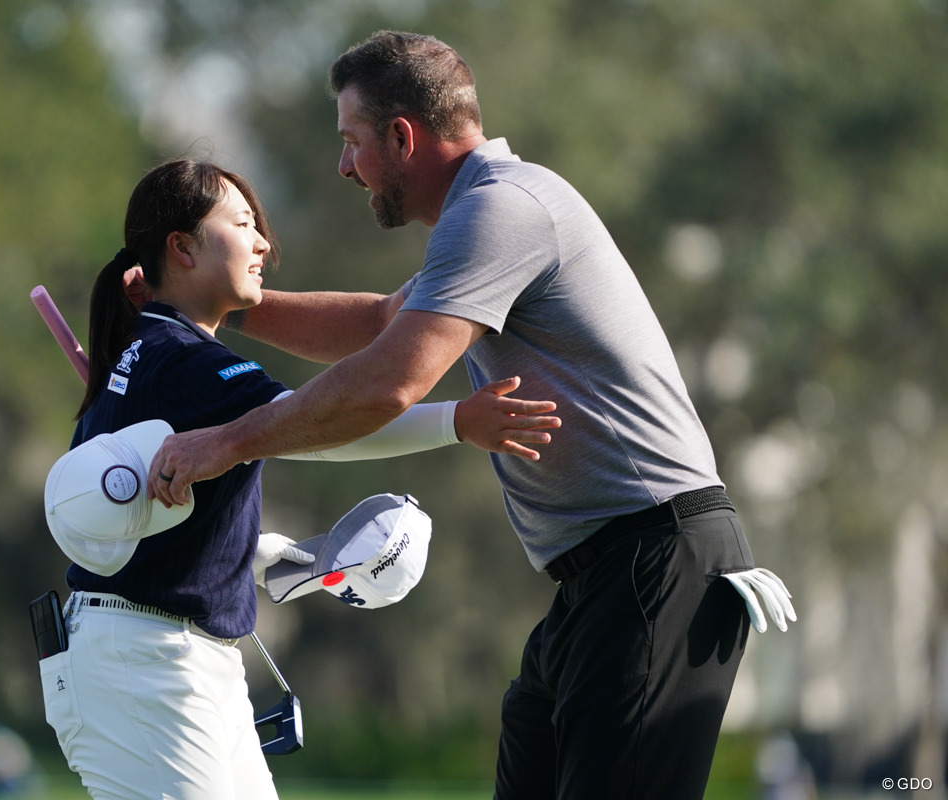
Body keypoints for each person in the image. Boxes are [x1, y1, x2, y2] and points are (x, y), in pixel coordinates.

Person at [146, 31, 793, 800]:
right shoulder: (487, 210)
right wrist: (216, 303)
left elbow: (390, 381)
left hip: (658, 561)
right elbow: (380, 324)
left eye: (352, 142)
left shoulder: (502, 209)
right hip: (605, 577)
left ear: (402, 137)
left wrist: (226, 443)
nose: (345, 166)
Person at [39, 158, 561, 800]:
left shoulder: (146, 354)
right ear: (182, 248)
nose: (263, 242)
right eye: (241, 224)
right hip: (144, 662)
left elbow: (153, 525)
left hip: (173, 658)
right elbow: (318, 430)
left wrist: (258, 554)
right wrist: (457, 421)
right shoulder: (185, 361)